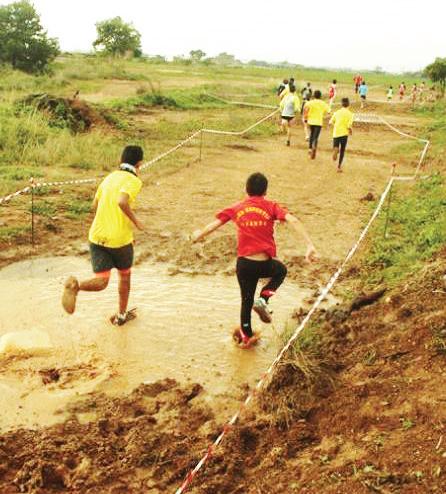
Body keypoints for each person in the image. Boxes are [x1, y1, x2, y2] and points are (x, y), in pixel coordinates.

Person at [191, 173, 317, 349]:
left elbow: (214, 225)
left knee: (246, 301)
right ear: (265, 191)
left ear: (246, 189)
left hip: (244, 265)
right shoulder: (271, 206)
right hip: (264, 264)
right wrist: (309, 245)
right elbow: (293, 220)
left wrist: (198, 235)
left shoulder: (237, 207)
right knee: (281, 271)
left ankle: (246, 338)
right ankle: (264, 299)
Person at [62, 145, 144, 326]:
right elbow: (122, 201)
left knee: (102, 281)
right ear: (139, 164)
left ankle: (76, 286)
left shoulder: (109, 178)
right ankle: (121, 316)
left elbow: (94, 205)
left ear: (120, 161)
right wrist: (136, 222)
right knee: (124, 276)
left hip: (96, 236)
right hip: (119, 240)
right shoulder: (134, 180)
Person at [303, 89, 330, 159]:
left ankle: (310, 149)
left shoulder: (310, 103)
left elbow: (305, 110)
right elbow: (329, 111)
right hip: (318, 122)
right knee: (316, 137)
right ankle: (314, 147)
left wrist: (305, 118)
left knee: (311, 134)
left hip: (311, 121)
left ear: (314, 95)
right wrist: (324, 117)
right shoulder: (323, 103)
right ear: (320, 96)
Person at [329, 97, 353, 173]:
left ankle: (335, 149)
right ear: (348, 104)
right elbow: (349, 126)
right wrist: (350, 131)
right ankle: (339, 166)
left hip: (336, 132)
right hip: (344, 134)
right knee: (342, 150)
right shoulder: (350, 114)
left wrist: (335, 125)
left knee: (336, 146)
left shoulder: (337, 112)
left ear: (341, 104)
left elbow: (330, 122)